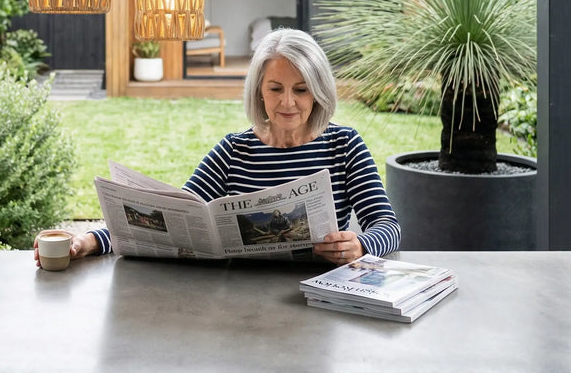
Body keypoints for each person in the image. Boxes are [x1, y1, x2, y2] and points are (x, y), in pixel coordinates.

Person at [34, 28, 401, 267]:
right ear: (259, 90)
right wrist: (87, 240)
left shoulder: (344, 145)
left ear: (319, 91)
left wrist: (360, 245)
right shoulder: (234, 150)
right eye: (275, 88)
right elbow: (173, 220)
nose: (288, 102)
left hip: (321, 297)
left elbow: (388, 226)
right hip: (237, 304)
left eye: (301, 89)